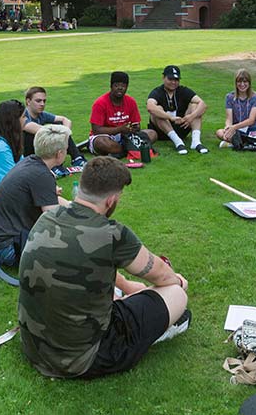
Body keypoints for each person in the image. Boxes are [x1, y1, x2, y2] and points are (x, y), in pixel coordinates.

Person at [17, 156, 190, 379]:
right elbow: (162, 276)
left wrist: (127, 286)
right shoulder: (112, 234)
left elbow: (89, 265)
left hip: (35, 347)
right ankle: (156, 332)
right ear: (111, 200)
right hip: (83, 358)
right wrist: (178, 282)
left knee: (127, 293)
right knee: (176, 294)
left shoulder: (47, 218)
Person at [0, 124, 72, 267]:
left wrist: (73, 206)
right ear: (59, 153)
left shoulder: (31, 162)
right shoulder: (41, 174)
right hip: (6, 250)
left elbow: (49, 198)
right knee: (73, 245)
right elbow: (53, 218)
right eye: (67, 149)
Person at [87, 71, 158, 161]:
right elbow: (96, 130)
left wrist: (134, 128)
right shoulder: (100, 103)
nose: (120, 88)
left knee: (152, 133)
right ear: (111, 86)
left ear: (127, 87)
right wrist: (119, 129)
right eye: (116, 85)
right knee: (101, 143)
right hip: (106, 136)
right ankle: (131, 148)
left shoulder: (131, 101)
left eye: (123, 86)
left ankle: (122, 150)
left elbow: (136, 124)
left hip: (126, 136)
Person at [145, 65, 209, 155]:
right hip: (162, 131)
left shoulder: (183, 90)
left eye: (176, 80)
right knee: (157, 110)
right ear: (163, 78)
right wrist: (170, 117)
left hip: (182, 126)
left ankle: (196, 142)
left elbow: (203, 104)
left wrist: (191, 116)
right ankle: (178, 142)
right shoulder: (157, 92)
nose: (173, 82)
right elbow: (150, 107)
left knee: (195, 106)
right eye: (170, 79)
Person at [21, 86, 87, 171]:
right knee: (35, 134)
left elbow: (65, 120)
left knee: (60, 127)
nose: (42, 104)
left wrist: (65, 133)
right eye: (38, 101)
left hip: (38, 149)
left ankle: (77, 158)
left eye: (44, 101)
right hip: (25, 152)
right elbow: (35, 129)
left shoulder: (42, 114)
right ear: (28, 101)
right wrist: (61, 133)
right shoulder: (22, 116)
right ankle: (51, 165)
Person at [215, 69, 256, 147]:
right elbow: (229, 119)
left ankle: (237, 142)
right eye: (239, 82)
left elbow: (251, 120)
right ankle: (254, 142)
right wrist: (228, 127)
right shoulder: (230, 97)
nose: (242, 84)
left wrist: (234, 127)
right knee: (219, 132)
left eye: (245, 82)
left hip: (252, 131)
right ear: (236, 83)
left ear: (249, 83)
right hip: (236, 131)